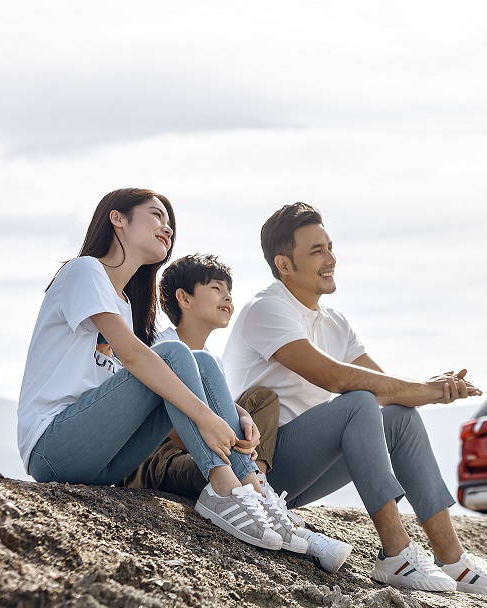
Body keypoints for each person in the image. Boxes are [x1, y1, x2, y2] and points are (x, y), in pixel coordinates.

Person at [222, 202, 487, 596]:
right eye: (317, 251)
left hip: (303, 473)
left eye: (330, 247)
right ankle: (396, 553)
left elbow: (387, 387)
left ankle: (453, 559)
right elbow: (334, 377)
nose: (331, 259)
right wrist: (428, 390)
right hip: (259, 467)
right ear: (284, 264)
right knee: (359, 401)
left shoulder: (335, 322)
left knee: (400, 417)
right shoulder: (267, 308)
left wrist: (435, 388)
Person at [17, 188, 291, 554]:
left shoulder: (125, 304)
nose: (168, 228)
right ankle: (224, 489)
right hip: (53, 445)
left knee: (202, 360)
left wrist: (236, 413)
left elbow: (152, 376)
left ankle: (254, 490)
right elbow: (134, 357)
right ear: (118, 219)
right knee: (173, 353)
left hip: (103, 460)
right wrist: (206, 417)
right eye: (157, 215)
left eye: (170, 222)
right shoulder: (84, 270)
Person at [120, 253, 351, 572]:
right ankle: (253, 497)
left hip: (215, 451)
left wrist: (241, 419)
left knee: (262, 398)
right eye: (216, 288)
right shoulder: (162, 347)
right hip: (161, 458)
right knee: (216, 460)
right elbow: (170, 425)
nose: (228, 297)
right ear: (185, 298)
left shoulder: (212, 361)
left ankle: (257, 488)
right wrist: (224, 444)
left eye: (229, 290)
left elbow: (219, 409)